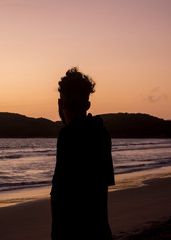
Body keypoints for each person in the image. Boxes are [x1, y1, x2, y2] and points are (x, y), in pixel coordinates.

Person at [51, 67, 115, 239]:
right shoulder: (101, 133)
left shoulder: (67, 135)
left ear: (60, 104)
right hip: (100, 231)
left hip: (72, 233)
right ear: (87, 104)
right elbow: (102, 189)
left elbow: (58, 194)